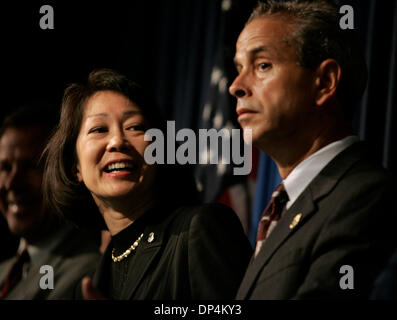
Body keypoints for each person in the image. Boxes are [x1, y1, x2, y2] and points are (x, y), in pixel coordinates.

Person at [228, 0, 396, 299]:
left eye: (262, 65)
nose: (236, 86)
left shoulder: (366, 196)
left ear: (324, 82)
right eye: (239, 68)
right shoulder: (286, 205)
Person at [42, 68, 252, 300]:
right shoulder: (96, 274)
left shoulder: (199, 228)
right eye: (99, 129)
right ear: (75, 168)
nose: (117, 141)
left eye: (135, 127)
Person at [0, 104, 101, 299]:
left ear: (68, 173)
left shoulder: (88, 275)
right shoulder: (5, 272)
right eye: (5, 167)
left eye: (31, 166)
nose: (12, 183)